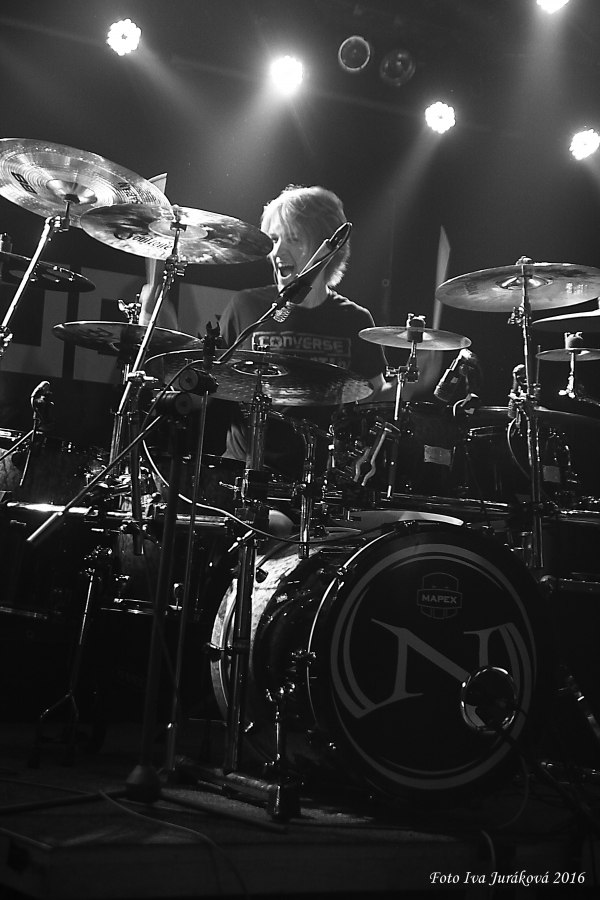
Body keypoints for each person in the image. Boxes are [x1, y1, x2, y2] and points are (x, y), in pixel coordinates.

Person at [140, 184, 442, 482]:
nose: (278, 251)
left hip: (318, 481)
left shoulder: (354, 320)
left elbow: (369, 400)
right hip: (242, 476)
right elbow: (203, 393)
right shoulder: (246, 306)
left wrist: (412, 385)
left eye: (294, 239)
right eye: (274, 239)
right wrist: (159, 337)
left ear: (327, 249)